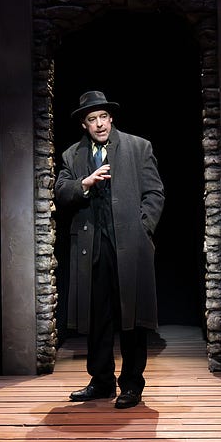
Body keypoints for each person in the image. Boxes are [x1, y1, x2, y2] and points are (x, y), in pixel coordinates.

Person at [54, 90, 165, 409]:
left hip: (129, 245)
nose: (99, 124)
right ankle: (101, 381)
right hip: (93, 247)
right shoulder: (72, 156)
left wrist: (142, 229)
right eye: (92, 119)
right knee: (97, 316)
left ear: (111, 118)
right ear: (84, 125)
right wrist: (85, 184)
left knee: (132, 317)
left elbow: (155, 193)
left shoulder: (137, 147)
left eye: (103, 117)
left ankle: (131, 383)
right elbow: (62, 193)